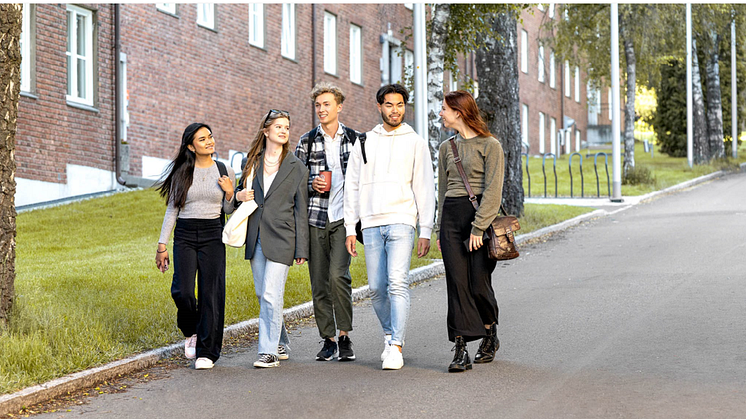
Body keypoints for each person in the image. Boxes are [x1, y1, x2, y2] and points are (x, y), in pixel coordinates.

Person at [344, 84, 435, 370]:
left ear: (404, 107)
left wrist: (425, 230)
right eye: (389, 105)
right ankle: (388, 335)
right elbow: (352, 186)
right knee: (376, 287)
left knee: (397, 282)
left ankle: (396, 345)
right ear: (379, 107)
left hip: (402, 221)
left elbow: (424, 187)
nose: (394, 110)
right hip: (370, 223)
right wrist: (350, 226)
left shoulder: (416, 142)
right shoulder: (364, 141)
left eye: (399, 104)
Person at [155, 123, 236, 370]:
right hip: (185, 235)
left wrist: (231, 193)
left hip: (213, 233)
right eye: (202, 139)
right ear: (191, 146)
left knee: (211, 293)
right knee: (183, 291)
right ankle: (190, 330)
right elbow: (172, 210)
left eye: (210, 136)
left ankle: (207, 352)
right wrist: (162, 245)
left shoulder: (225, 170)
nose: (209, 141)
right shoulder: (182, 172)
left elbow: (228, 211)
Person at [434, 90, 505, 373]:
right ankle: (461, 348)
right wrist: (440, 229)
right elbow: (443, 192)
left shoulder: (490, 146)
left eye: (444, 109)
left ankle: (489, 332)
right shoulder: (445, 148)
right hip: (451, 218)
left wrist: (479, 227)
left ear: (458, 112)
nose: (441, 113)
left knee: (478, 283)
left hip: (479, 220)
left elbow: (493, 191)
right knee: (457, 284)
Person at [234, 109, 310, 368]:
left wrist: (302, 247)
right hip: (255, 235)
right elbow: (239, 193)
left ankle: (268, 352)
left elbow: (301, 210)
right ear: (266, 131)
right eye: (278, 126)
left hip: (282, 237)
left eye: (286, 127)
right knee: (262, 293)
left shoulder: (296, 166)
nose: (283, 130)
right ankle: (281, 340)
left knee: (270, 293)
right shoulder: (252, 162)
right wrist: (238, 196)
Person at [295, 82, 364, 362]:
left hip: (344, 220)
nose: (321, 110)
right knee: (319, 282)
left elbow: (364, 179)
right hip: (315, 218)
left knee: (339, 276)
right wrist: (313, 183)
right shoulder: (307, 141)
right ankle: (328, 339)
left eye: (326, 104)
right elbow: (296, 184)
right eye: (318, 105)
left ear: (339, 106)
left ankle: (345, 335)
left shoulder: (356, 140)